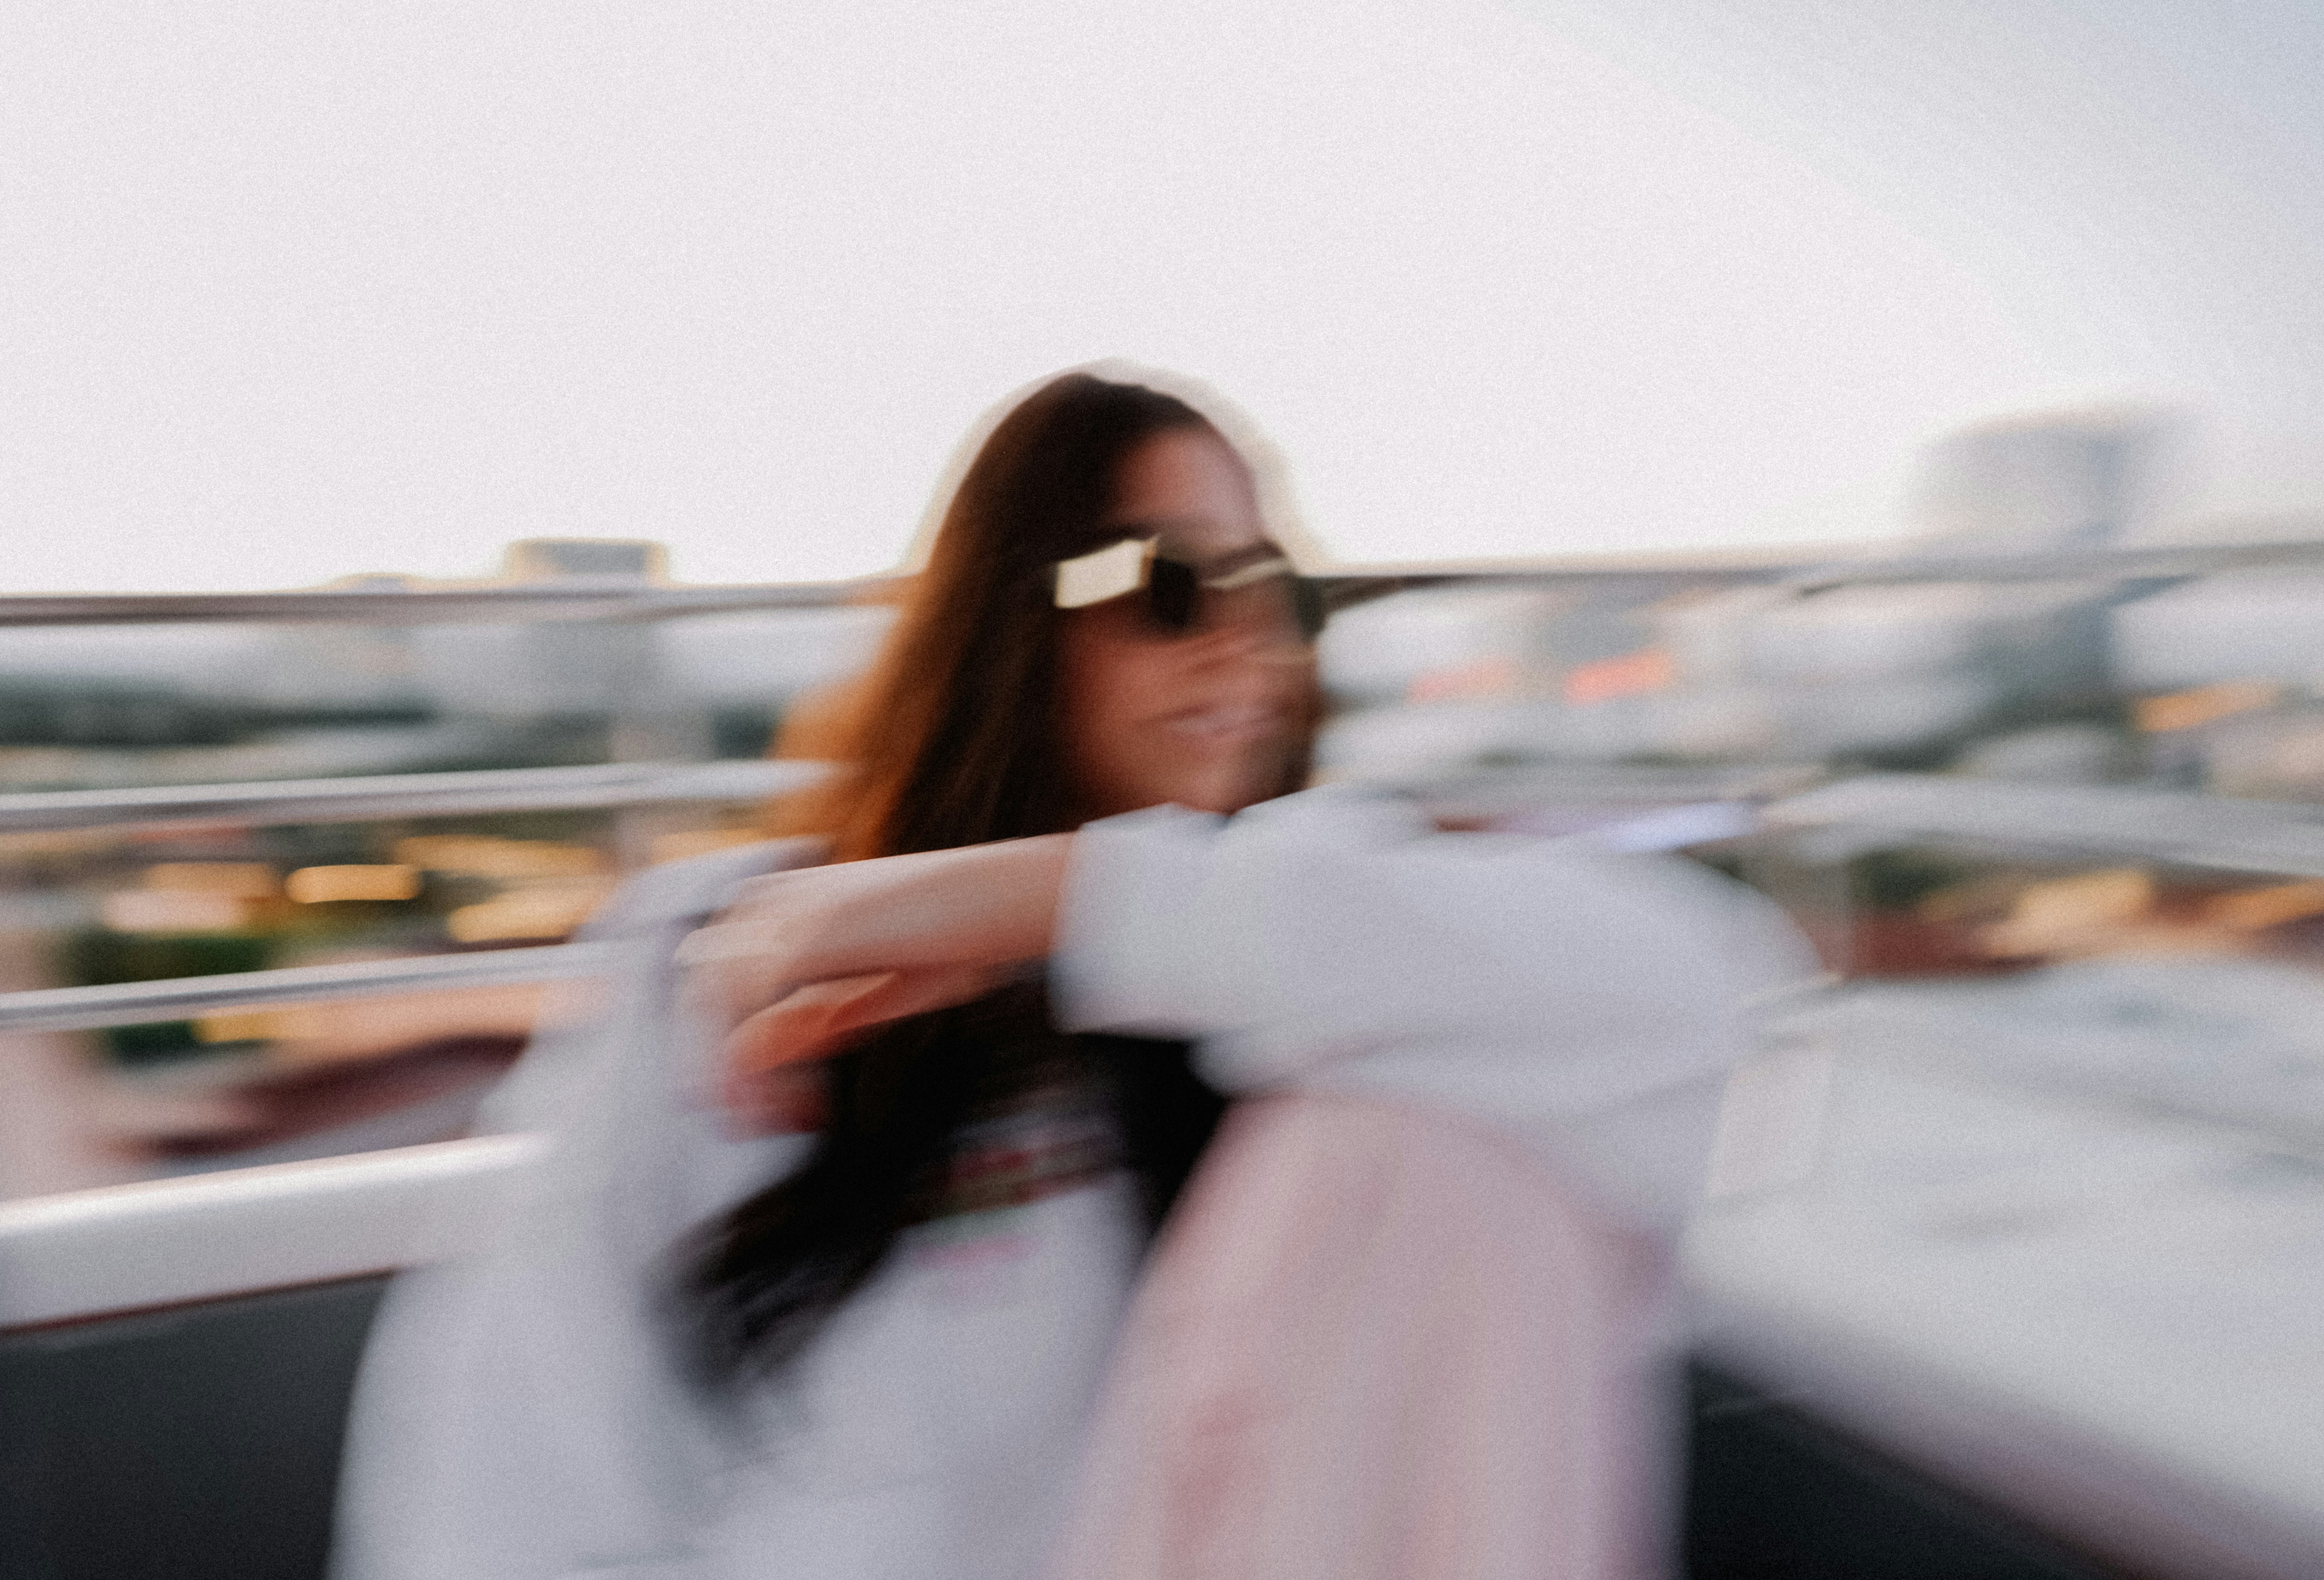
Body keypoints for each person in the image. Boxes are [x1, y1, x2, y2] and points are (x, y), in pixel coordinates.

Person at [335, 366, 1810, 1580]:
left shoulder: (1299, 946)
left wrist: (1046, 900)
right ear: (1008, 616)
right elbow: (502, 1493)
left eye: (1272, 587)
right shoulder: (721, 953)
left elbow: (1701, 985)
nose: (1242, 642)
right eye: (1170, 584)